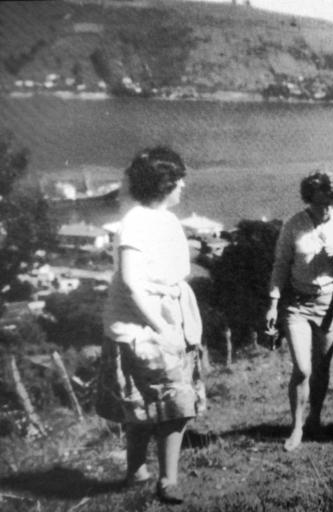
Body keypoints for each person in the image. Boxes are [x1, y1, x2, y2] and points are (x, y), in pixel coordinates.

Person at [96, 146, 206, 504]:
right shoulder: (137, 222)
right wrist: (160, 326)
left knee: (161, 402)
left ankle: (149, 473)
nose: (183, 187)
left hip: (165, 318)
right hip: (142, 327)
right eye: (180, 180)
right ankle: (155, 476)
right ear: (165, 184)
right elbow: (130, 280)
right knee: (160, 405)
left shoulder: (165, 220)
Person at [265, 170, 333, 451]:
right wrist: (272, 304)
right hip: (297, 304)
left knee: (321, 369)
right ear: (309, 198)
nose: (325, 209)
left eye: (331, 202)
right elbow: (280, 265)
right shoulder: (294, 225)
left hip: (329, 303)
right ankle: (297, 428)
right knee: (303, 369)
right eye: (320, 203)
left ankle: (315, 420)